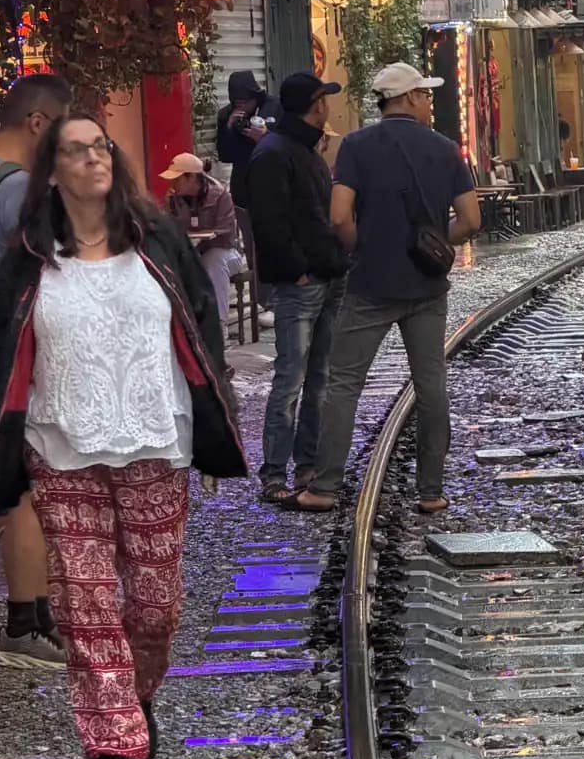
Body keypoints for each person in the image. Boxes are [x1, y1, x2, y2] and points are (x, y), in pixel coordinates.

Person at [0, 113, 246, 759]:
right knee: (85, 601)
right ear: (52, 170)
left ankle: (136, 695)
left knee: (156, 606)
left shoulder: (156, 239)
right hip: (60, 446)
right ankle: (112, 743)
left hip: (156, 441)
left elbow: (202, 329)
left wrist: (216, 427)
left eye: (100, 146)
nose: (93, 158)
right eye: (76, 151)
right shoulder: (30, 255)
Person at [300, 63, 481, 515]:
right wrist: (436, 244)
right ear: (411, 97)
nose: (430, 102)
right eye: (426, 94)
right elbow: (471, 220)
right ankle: (431, 491)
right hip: (426, 285)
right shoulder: (445, 149)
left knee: (344, 383)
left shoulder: (355, 147)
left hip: (369, 284)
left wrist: (360, 246)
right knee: (430, 384)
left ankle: (325, 487)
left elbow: (339, 215)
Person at [0, 72, 71, 671]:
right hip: (23, 353)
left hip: (4, 350)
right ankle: (24, 625)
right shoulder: (18, 189)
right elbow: (49, 272)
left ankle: (39, 619)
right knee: (31, 489)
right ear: (37, 123)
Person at [244, 72, 349, 507]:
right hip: (302, 281)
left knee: (318, 377)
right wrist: (297, 271)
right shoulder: (275, 153)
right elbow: (269, 224)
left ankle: (307, 464)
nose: (328, 107)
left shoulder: (302, 149)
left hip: (325, 276)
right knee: (291, 378)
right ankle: (274, 473)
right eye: (325, 99)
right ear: (315, 104)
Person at [160, 153, 242, 324]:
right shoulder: (174, 198)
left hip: (225, 252)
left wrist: (204, 236)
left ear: (191, 178)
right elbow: (169, 229)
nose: (173, 184)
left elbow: (226, 230)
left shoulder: (220, 195)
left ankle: (218, 323)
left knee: (213, 261)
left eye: (177, 179)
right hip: (193, 253)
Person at [216, 70, 275, 211]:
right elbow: (224, 156)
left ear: (255, 97)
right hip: (243, 185)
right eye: (238, 103)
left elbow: (288, 143)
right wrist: (229, 128)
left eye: (245, 102)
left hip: (272, 181)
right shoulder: (227, 114)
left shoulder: (274, 106)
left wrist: (265, 137)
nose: (242, 106)